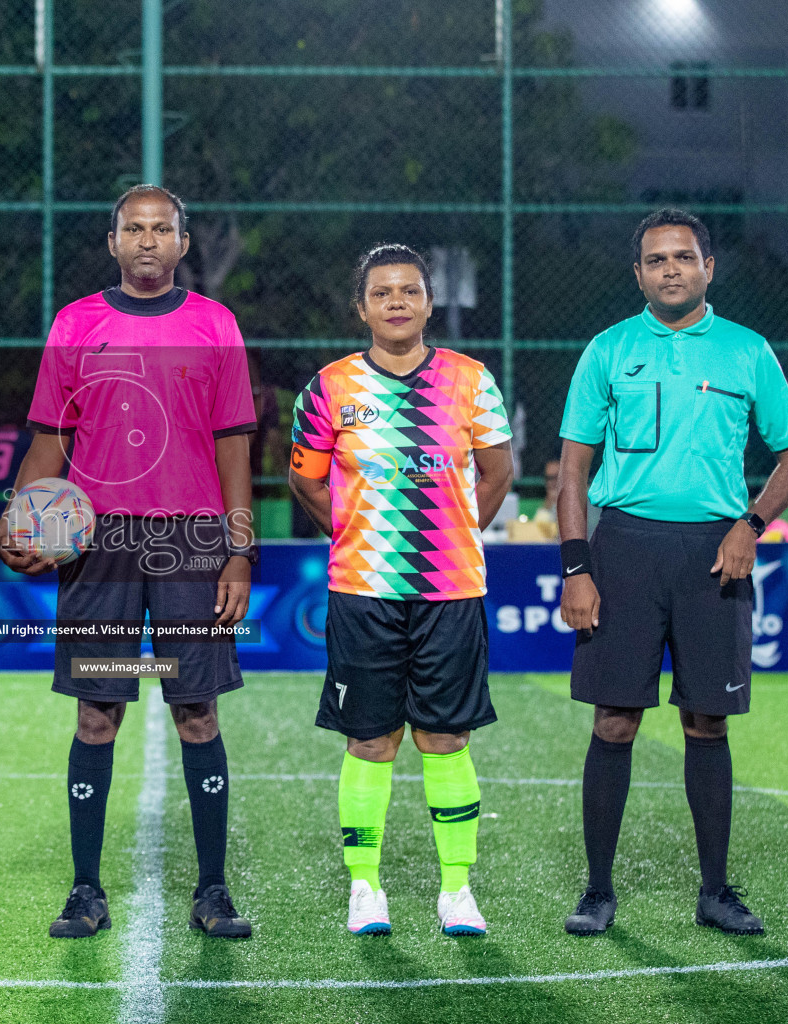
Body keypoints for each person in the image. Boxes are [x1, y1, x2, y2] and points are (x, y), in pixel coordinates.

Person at [0, 184, 257, 940]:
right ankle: (84, 890)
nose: (147, 241)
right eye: (133, 229)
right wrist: (21, 517)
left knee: (196, 710)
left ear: (183, 242)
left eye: (161, 229)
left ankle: (213, 889)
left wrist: (239, 552)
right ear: (112, 242)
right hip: (98, 541)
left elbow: (233, 444)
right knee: (97, 713)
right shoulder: (76, 323)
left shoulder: (216, 326)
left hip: (192, 541)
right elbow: (49, 436)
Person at [558, 209, 788, 937]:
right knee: (614, 720)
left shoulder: (746, 351)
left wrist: (751, 525)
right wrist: (577, 566)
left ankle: (715, 892)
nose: (670, 269)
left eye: (683, 257)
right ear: (638, 273)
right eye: (656, 259)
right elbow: (573, 472)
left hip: (714, 553)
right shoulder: (608, 350)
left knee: (707, 722)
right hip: (625, 549)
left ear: (708, 267)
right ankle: (598, 891)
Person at [288, 244, 514, 937]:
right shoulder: (328, 388)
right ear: (362, 308)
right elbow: (305, 479)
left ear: (427, 302)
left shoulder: (471, 379)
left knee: (445, 738)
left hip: (451, 592)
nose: (397, 302)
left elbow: (498, 471)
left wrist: (453, 537)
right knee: (370, 740)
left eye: (410, 291)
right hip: (363, 591)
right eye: (382, 292)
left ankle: (456, 891)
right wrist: (360, 535)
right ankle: (366, 889)